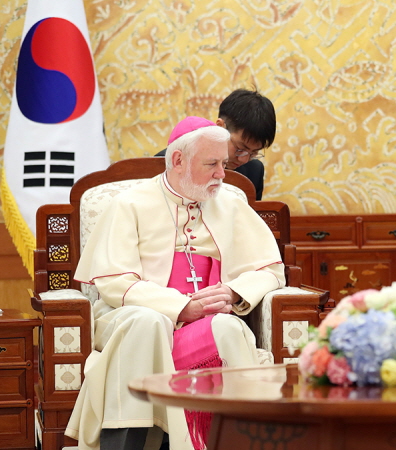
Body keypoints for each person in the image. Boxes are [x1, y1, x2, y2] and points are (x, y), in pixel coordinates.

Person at [66, 117, 285, 450]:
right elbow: (113, 282)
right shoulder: (131, 203)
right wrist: (181, 307)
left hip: (210, 315)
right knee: (147, 322)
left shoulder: (231, 204)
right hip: (131, 313)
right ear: (178, 160)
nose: (221, 175)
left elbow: (270, 270)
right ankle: (126, 441)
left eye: (223, 164)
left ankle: (230, 438)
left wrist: (234, 291)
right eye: (211, 164)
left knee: (227, 329)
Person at [156, 88, 275, 200]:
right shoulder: (167, 162)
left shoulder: (254, 170)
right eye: (240, 149)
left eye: (253, 153)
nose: (244, 159)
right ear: (220, 127)